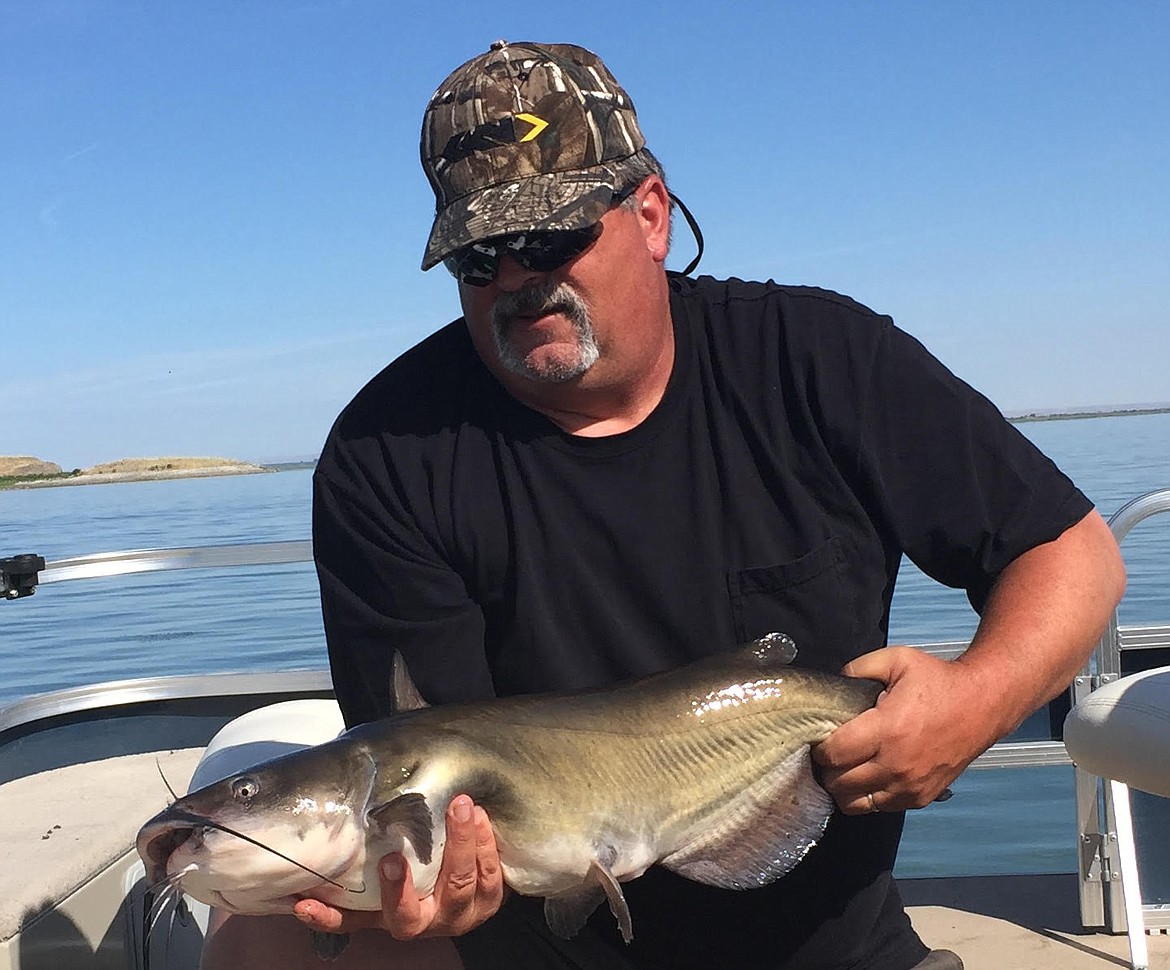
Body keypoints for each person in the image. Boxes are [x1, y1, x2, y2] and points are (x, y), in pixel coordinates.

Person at [200, 40, 1126, 970]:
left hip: (832, 947)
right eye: (480, 257)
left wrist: (976, 699)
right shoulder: (385, 456)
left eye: (550, 236)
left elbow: (1072, 552)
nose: (517, 280)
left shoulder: (818, 359)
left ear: (649, 212)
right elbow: (430, 762)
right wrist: (420, 890)